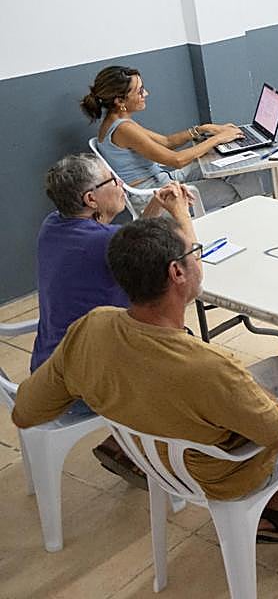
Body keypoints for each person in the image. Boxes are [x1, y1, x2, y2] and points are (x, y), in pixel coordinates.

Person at [12, 217, 278, 543]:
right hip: (223, 473)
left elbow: (25, 409)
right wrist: (245, 390)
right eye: (195, 252)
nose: (199, 259)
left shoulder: (90, 328)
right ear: (176, 273)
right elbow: (277, 432)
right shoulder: (209, 367)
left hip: (156, 462)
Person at [33, 154, 194, 487]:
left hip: (49, 369)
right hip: (80, 389)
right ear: (91, 198)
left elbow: (127, 243)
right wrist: (180, 212)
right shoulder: (100, 243)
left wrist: (154, 211)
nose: (122, 184)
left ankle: (125, 443)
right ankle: (149, 448)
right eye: (112, 181)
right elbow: (188, 278)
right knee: (180, 353)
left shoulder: (54, 225)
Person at [84, 66, 262, 212]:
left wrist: (203, 129)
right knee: (235, 190)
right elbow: (176, 160)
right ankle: (260, 213)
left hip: (162, 179)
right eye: (139, 91)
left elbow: (166, 141)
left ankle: (259, 212)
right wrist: (217, 139)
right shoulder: (124, 129)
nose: (146, 93)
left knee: (234, 164)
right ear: (119, 101)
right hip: (155, 197)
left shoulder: (117, 121)